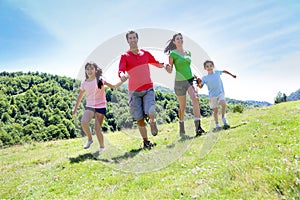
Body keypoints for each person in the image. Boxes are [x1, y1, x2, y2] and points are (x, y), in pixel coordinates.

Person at [118, 30, 168, 149]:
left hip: (148, 88)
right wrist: (122, 76)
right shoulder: (125, 56)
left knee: (151, 111)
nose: (132, 40)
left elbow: (156, 62)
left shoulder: (145, 53)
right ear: (127, 41)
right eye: (130, 38)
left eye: (134, 37)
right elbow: (121, 70)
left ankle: (152, 121)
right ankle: (146, 141)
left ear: (137, 39)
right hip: (134, 92)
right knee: (139, 118)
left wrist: (164, 65)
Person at [72, 62, 128, 153]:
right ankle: (90, 139)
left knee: (97, 129)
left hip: (101, 106)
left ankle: (102, 147)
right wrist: (75, 108)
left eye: (91, 69)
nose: (89, 71)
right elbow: (80, 96)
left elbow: (113, 86)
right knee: (83, 121)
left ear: (95, 70)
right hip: (90, 106)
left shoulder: (100, 80)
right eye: (87, 69)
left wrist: (122, 81)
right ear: (85, 71)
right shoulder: (84, 83)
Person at [164, 33, 205, 137]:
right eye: (177, 38)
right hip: (179, 82)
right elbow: (170, 70)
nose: (180, 40)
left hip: (190, 80)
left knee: (195, 98)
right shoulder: (172, 54)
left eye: (181, 38)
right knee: (182, 107)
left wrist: (196, 77)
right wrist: (167, 68)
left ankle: (198, 127)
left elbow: (187, 67)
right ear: (174, 42)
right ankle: (181, 126)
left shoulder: (188, 53)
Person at [197, 60, 237, 131]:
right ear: (205, 68)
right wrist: (199, 83)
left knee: (223, 104)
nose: (209, 67)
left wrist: (232, 75)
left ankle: (223, 117)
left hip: (220, 93)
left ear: (213, 66)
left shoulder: (217, 73)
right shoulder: (204, 78)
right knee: (215, 110)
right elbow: (200, 86)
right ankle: (217, 124)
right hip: (212, 96)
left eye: (210, 66)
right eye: (207, 66)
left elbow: (224, 71)